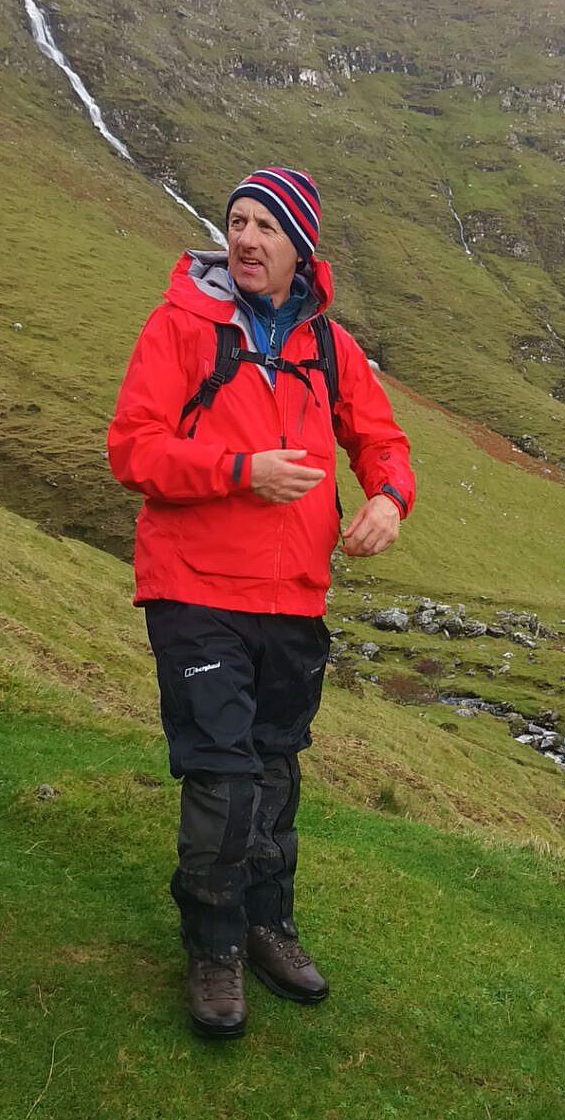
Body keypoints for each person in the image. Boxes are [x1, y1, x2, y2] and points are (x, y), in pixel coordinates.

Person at [108, 167, 415, 1040]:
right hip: (195, 588)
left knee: (276, 768)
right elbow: (133, 450)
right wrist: (241, 472)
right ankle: (213, 948)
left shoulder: (330, 346)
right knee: (224, 774)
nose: (245, 238)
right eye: (237, 222)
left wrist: (389, 498)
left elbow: (382, 438)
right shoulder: (179, 325)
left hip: (293, 598)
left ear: (299, 248)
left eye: (265, 226)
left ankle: (266, 924)